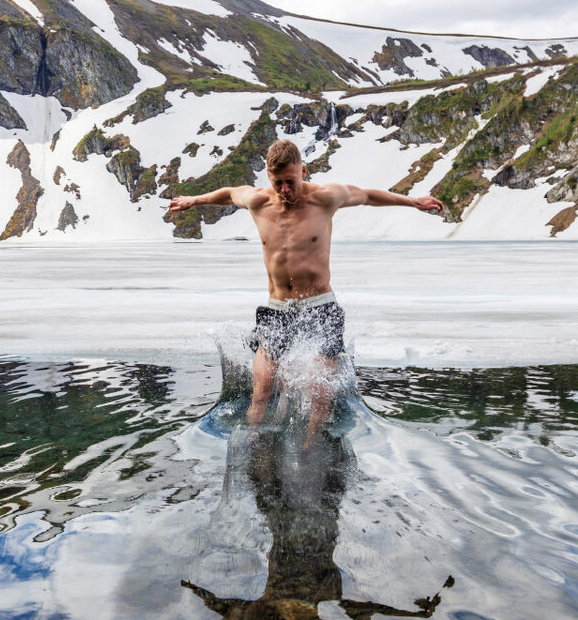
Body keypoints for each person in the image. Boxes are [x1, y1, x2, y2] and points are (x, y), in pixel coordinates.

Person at [167, 139, 443, 446]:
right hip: (276, 311)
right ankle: (254, 452)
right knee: (261, 392)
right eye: (278, 183)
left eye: (290, 182)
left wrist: (413, 201)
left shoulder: (325, 198)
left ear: (303, 171)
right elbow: (229, 194)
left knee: (319, 395)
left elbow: (367, 196)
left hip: (320, 308)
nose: (285, 190)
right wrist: (194, 199)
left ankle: (310, 453)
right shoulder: (259, 201)